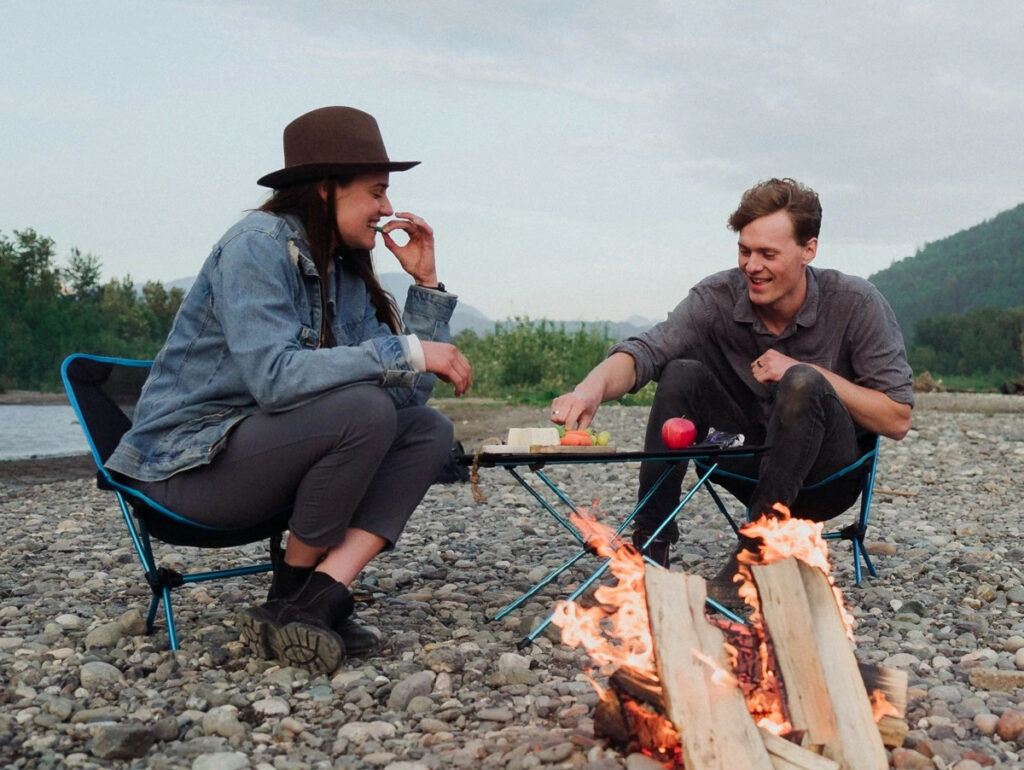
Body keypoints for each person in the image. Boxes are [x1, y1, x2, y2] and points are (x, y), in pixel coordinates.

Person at [106, 106, 472, 673]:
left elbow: (407, 401)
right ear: (327, 190)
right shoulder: (256, 245)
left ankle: (315, 598)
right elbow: (275, 380)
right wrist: (407, 351)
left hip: (265, 464)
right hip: (188, 472)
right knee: (363, 407)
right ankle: (290, 595)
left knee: (428, 430)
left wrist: (425, 285)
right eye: (377, 192)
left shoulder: (344, 270)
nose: (388, 209)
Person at [549, 177, 913, 600]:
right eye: (745, 251)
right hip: (745, 462)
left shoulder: (855, 302)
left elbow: (897, 417)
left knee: (803, 381)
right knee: (681, 371)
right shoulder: (718, 297)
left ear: (808, 250)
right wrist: (589, 390)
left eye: (768, 254)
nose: (752, 266)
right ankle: (651, 547)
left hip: (826, 477)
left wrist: (804, 368)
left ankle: (754, 554)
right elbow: (647, 349)